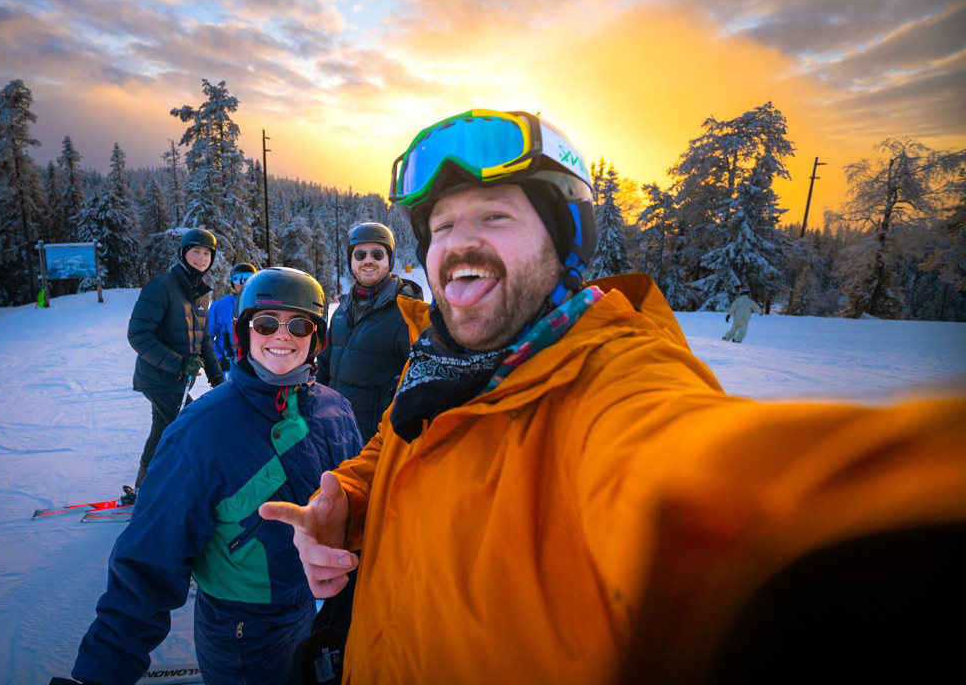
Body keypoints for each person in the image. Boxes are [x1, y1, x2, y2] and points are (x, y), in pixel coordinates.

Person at [259, 108, 966, 684]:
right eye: (442, 226)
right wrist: (350, 499)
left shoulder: (614, 380)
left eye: (495, 216)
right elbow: (399, 442)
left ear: (565, 244)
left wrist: (860, 520)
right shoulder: (440, 364)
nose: (459, 243)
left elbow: (691, 463)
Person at [72, 268, 363, 685]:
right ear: (244, 332)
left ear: (316, 338)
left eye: (299, 325)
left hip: (312, 610)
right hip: (244, 633)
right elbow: (147, 566)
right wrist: (99, 674)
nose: (282, 336)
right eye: (266, 323)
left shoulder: (335, 410)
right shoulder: (202, 432)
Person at [126, 228, 224, 493]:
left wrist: (217, 377)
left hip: (179, 383)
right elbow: (138, 335)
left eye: (207, 253)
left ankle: (144, 487)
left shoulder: (200, 293)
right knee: (191, 429)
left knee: (161, 432)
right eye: (196, 252)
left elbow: (203, 339)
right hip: (160, 379)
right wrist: (180, 364)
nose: (202, 258)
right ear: (183, 253)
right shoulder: (162, 287)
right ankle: (183, 491)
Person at [316, 222, 423, 444]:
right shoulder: (342, 310)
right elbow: (324, 367)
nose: (368, 260)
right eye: (360, 254)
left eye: (377, 253)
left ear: (389, 259)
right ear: (351, 261)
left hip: (374, 444)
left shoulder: (406, 311)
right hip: (333, 433)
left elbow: (417, 386)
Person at [208, 262, 258, 372]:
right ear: (232, 281)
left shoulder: (260, 305)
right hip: (229, 367)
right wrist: (219, 359)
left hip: (256, 367)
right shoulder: (219, 306)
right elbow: (206, 337)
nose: (244, 283)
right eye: (239, 279)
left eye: (249, 279)